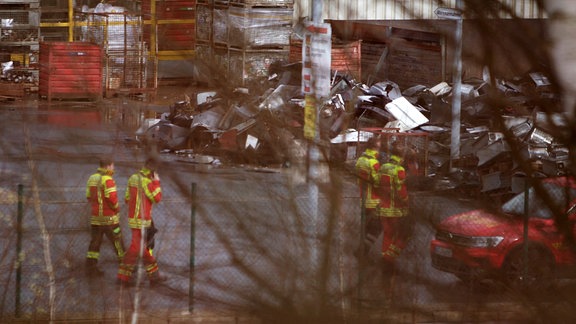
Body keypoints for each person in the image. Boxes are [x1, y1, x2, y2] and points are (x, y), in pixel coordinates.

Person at [117, 158, 166, 286]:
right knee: (136, 249)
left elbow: (127, 199)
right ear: (152, 170)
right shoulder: (148, 181)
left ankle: (152, 275)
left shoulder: (133, 178)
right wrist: (156, 182)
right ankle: (123, 278)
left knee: (140, 249)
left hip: (133, 219)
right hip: (142, 220)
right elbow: (157, 198)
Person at [85, 158, 125, 277]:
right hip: (110, 220)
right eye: (113, 166)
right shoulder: (108, 180)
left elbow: (88, 196)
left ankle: (91, 268)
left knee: (95, 244)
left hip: (96, 219)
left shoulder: (92, 178)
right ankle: (126, 269)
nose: (113, 168)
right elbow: (112, 199)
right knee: (118, 243)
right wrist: (117, 209)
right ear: (107, 166)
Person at [376, 144, 411, 272]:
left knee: (387, 234)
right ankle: (389, 258)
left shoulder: (383, 167)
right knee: (403, 235)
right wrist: (407, 202)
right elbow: (402, 192)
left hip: (383, 208)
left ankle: (385, 257)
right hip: (396, 209)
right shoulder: (399, 170)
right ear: (401, 157)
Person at [355, 135, 382, 246]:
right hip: (374, 200)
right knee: (375, 227)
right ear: (375, 148)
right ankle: (363, 250)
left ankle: (361, 248)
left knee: (365, 225)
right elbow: (378, 182)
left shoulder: (361, 160)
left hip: (363, 197)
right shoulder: (374, 163)